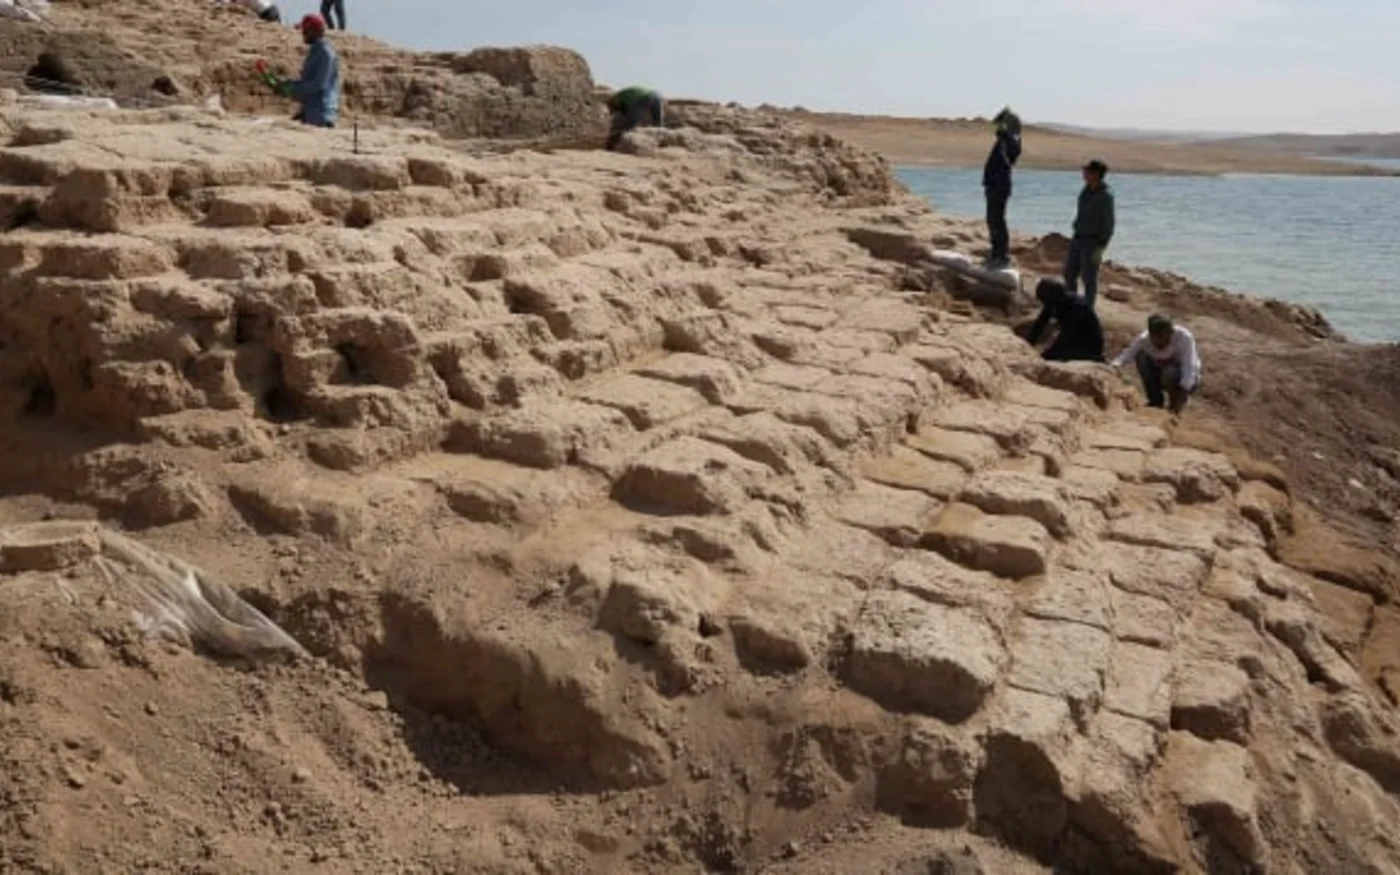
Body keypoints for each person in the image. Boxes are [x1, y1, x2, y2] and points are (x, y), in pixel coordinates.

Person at [1111, 314, 1201, 414]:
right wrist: (1114, 366)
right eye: (1157, 337)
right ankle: (1155, 401)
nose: (1161, 340)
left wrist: (1184, 389)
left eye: (1164, 336)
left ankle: (1174, 405)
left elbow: (1189, 366)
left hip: (1180, 376)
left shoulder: (1184, 337)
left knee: (1169, 373)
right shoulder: (1144, 339)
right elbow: (1127, 354)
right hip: (1160, 372)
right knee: (1141, 357)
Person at [1064, 159, 1115, 308]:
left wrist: (1101, 246)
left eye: (1087, 171)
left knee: (1089, 278)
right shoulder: (1086, 190)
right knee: (1069, 274)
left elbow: (1109, 223)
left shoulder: (1106, 196)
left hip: (1092, 241)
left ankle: (1087, 310)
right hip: (1078, 237)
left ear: (1096, 174)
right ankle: (1070, 305)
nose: (1084, 173)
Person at [1025, 277, 1104, 362]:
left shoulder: (1077, 307)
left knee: (1058, 356)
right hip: (1075, 340)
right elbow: (1040, 323)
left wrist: (1048, 355)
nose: (1044, 304)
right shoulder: (1056, 301)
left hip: (1089, 347)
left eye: (1044, 301)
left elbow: (1066, 334)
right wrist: (1027, 344)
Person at [982, 107, 1022, 268]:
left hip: (998, 185)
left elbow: (995, 125)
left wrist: (1004, 113)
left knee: (996, 219)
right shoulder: (1010, 140)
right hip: (996, 184)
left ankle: (1001, 253)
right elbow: (995, 127)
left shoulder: (1009, 140)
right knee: (994, 219)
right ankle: (997, 252)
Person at [285, 14, 341, 128]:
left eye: (306, 30)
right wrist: (288, 84)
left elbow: (319, 85)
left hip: (322, 115)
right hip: (311, 112)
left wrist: (293, 89)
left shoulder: (326, 54)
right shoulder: (314, 51)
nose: (303, 33)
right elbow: (308, 81)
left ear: (316, 31)